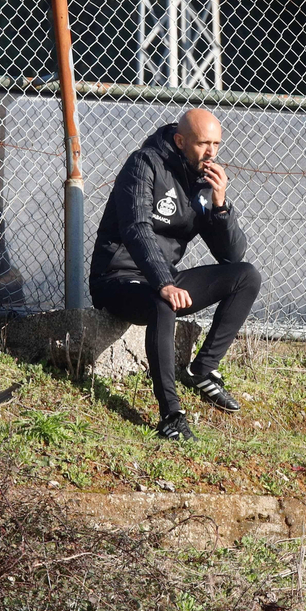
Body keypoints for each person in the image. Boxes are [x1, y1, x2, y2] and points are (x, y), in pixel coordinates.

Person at [90, 109, 262, 440]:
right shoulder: (144, 164)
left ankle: (203, 369)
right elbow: (135, 228)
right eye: (203, 144)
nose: (211, 153)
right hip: (118, 278)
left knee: (246, 275)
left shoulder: (203, 181)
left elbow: (230, 254)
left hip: (162, 278)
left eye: (216, 144)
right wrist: (164, 283)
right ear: (181, 141)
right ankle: (171, 415)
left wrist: (221, 205)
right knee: (162, 303)